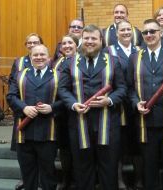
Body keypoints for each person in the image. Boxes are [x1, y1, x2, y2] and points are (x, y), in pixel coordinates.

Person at [58, 24, 126, 190]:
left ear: (101, 41)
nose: (90, 41)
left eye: (93, 38)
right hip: (79, 124)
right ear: (81, 40)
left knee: (108, 169)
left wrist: (109, 100)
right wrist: (73, 104)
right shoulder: (70, 63)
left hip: (108, 124)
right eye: (86, 38)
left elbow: (122, 88)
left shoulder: (113, 62)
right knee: (82, 170)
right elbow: (63, 89)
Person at [127, 19, 163, 190]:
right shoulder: (134, 58)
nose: (149, 35)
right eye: (145, 32)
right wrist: (135, 103)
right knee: (149, 167)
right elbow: (129, 88)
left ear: (161, 33)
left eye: (153, 31)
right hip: (145, 121)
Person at [7, 44, 62, 190]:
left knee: (48, 174)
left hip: (47, 133)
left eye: (42, 54)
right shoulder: (20, 75)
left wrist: (52, 107)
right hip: (24, 133)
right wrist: (23, 107)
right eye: (35, 55)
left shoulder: (59, 75)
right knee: (28, 174)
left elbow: (65, 100)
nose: (39, 57)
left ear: (49, 58)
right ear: (30, 57)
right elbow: (11, 96)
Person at [104, 20, 141, 190]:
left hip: (136, 105)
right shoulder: (109, 51)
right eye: (122, 30)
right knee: (117, 147)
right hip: (116, 105)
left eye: (128, 29)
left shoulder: (140, 50)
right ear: (116, 33)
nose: (126, 32)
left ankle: (139, 179)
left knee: (137, 144)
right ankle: (120, 180)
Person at [8, 33, 43, 190]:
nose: (32, 45)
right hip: (23, 110)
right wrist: (21, 107)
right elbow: (12, 84)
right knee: (23, 149)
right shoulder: (19, 62)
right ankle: (25, 178)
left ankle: (40, 180)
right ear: (26, 45)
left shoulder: (44, 58)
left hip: (42, 110)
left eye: (35, 42)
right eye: (29, 43)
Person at [52, 33, 79, 190]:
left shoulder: (82, 60)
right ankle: (66, 178)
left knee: (77, 147)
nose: (67, 46)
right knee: (64, 148)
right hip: (60, 112)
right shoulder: (56, 63)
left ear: (77, 45)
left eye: (70, 43)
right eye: (64, 43)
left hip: (77, 110)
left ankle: (77, 178)